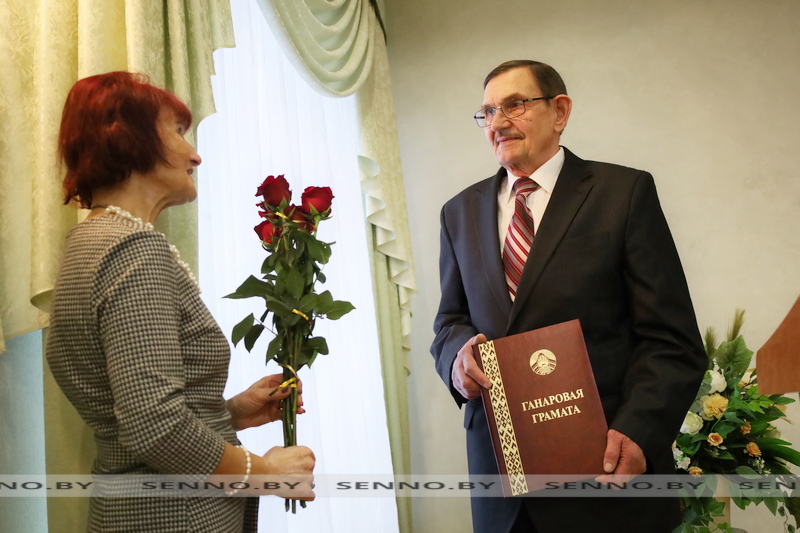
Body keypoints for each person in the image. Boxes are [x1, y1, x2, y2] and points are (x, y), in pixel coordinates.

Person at [431, 60, 707, 533]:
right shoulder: (458, 212)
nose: (498, 122)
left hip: (605, 476)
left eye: (514, 105)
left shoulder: (623, 193)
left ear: (559, 111)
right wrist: (457, 357)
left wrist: (640, 431)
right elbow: (449, 323)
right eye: (488, 112)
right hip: (502, 487)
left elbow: (671, 340)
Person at [46, 71, 315, 532]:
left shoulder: (88, 243)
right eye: (177, 131)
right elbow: (155, 426)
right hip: (174, 517)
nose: (195, 154)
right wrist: (266, 473)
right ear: (127, 136)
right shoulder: (132, 249)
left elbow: (132, 415)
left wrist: (229, 413)